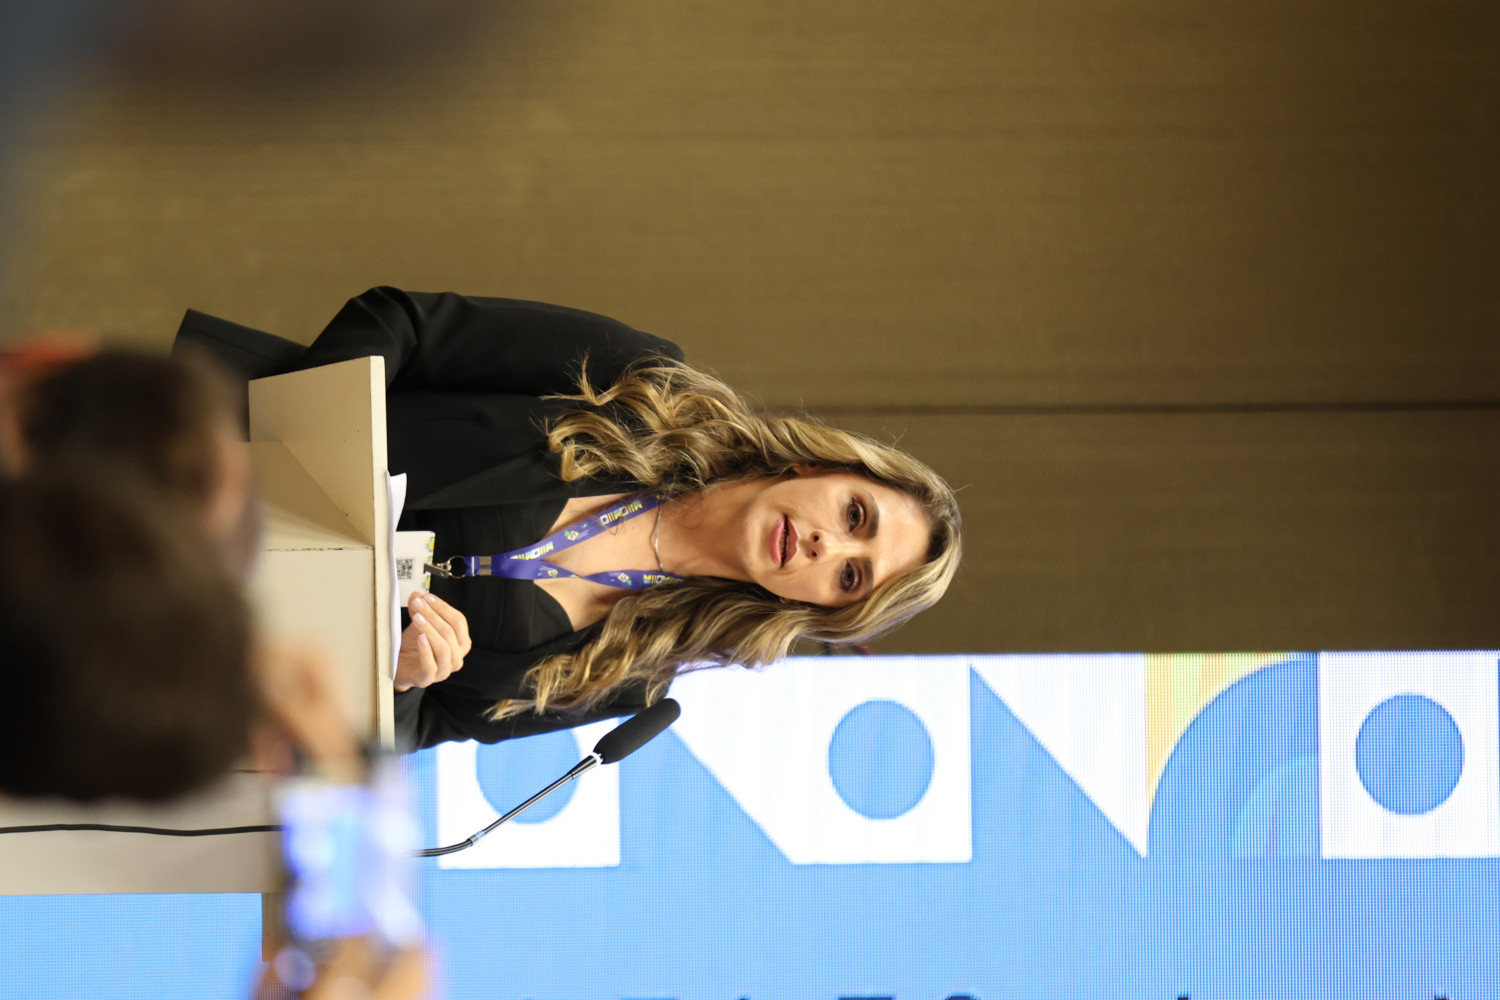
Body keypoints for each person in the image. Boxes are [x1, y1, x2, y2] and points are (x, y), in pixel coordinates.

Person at [176, 286, 963, 751]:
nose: (827, 544)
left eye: (850, 576)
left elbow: (424, 725)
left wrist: (404, 677)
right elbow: (403, 324)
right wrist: (287, 450)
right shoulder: (643, 383)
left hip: (210, 635)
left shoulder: (628, 680)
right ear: (818, 467)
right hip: (194, 464)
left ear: (818, 607)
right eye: (855, 514)